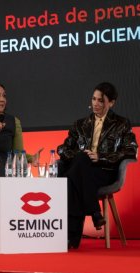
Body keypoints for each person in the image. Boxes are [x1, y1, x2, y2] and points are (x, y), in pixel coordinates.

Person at [57, 82, 138, 249]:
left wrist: (101, 157)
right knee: (80, 161)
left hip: (104, 171)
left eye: (101, 100)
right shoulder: (80, 124)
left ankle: (71, 239)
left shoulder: (121, 123)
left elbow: (131, 150)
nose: (95, 103)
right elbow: (62, 148)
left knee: (73, 177)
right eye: (94, 99)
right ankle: (94, 211)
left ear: (112, 102)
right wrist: (83, 156)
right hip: (83, 171)